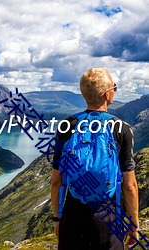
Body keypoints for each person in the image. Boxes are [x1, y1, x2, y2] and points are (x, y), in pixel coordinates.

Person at [51, 68, 139, 250]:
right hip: (107, 215)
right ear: (107, 94)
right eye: (115, 87)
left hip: (73, 213)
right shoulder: (121, 129)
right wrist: (133, 226)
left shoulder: (67, 125)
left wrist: (57, 218)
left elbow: (56, 181)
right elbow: (129, 185)